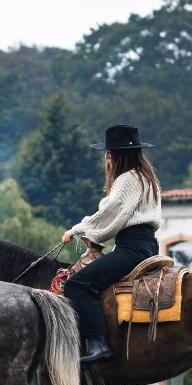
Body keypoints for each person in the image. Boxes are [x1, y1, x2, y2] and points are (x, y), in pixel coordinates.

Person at [61, 124, 162, 363]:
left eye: (109, 152)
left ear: (118, 155)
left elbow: (110, 213)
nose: (106, 157)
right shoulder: (147, 178)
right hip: (146, 245)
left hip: (132, 249)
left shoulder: (128, 179)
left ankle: (98, 343)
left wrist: (77, 230)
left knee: (77, 284)